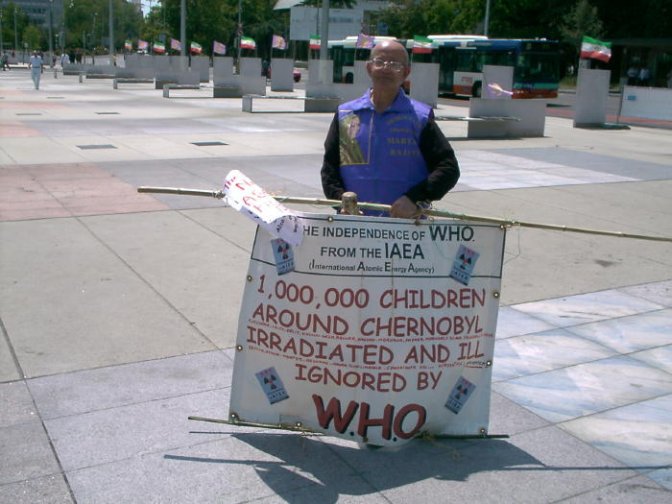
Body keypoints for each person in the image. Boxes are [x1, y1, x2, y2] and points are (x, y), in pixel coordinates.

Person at [321, 40, 460, 218]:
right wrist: (340, 200)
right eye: (379, 62)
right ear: (369, 68)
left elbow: (448, 168)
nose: (386, 69)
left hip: (403, 226)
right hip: (355, 224)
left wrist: (415, 198)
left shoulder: (420, 117)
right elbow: (330, 169)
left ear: (406, 73)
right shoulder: (347, 114)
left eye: (395, 64)